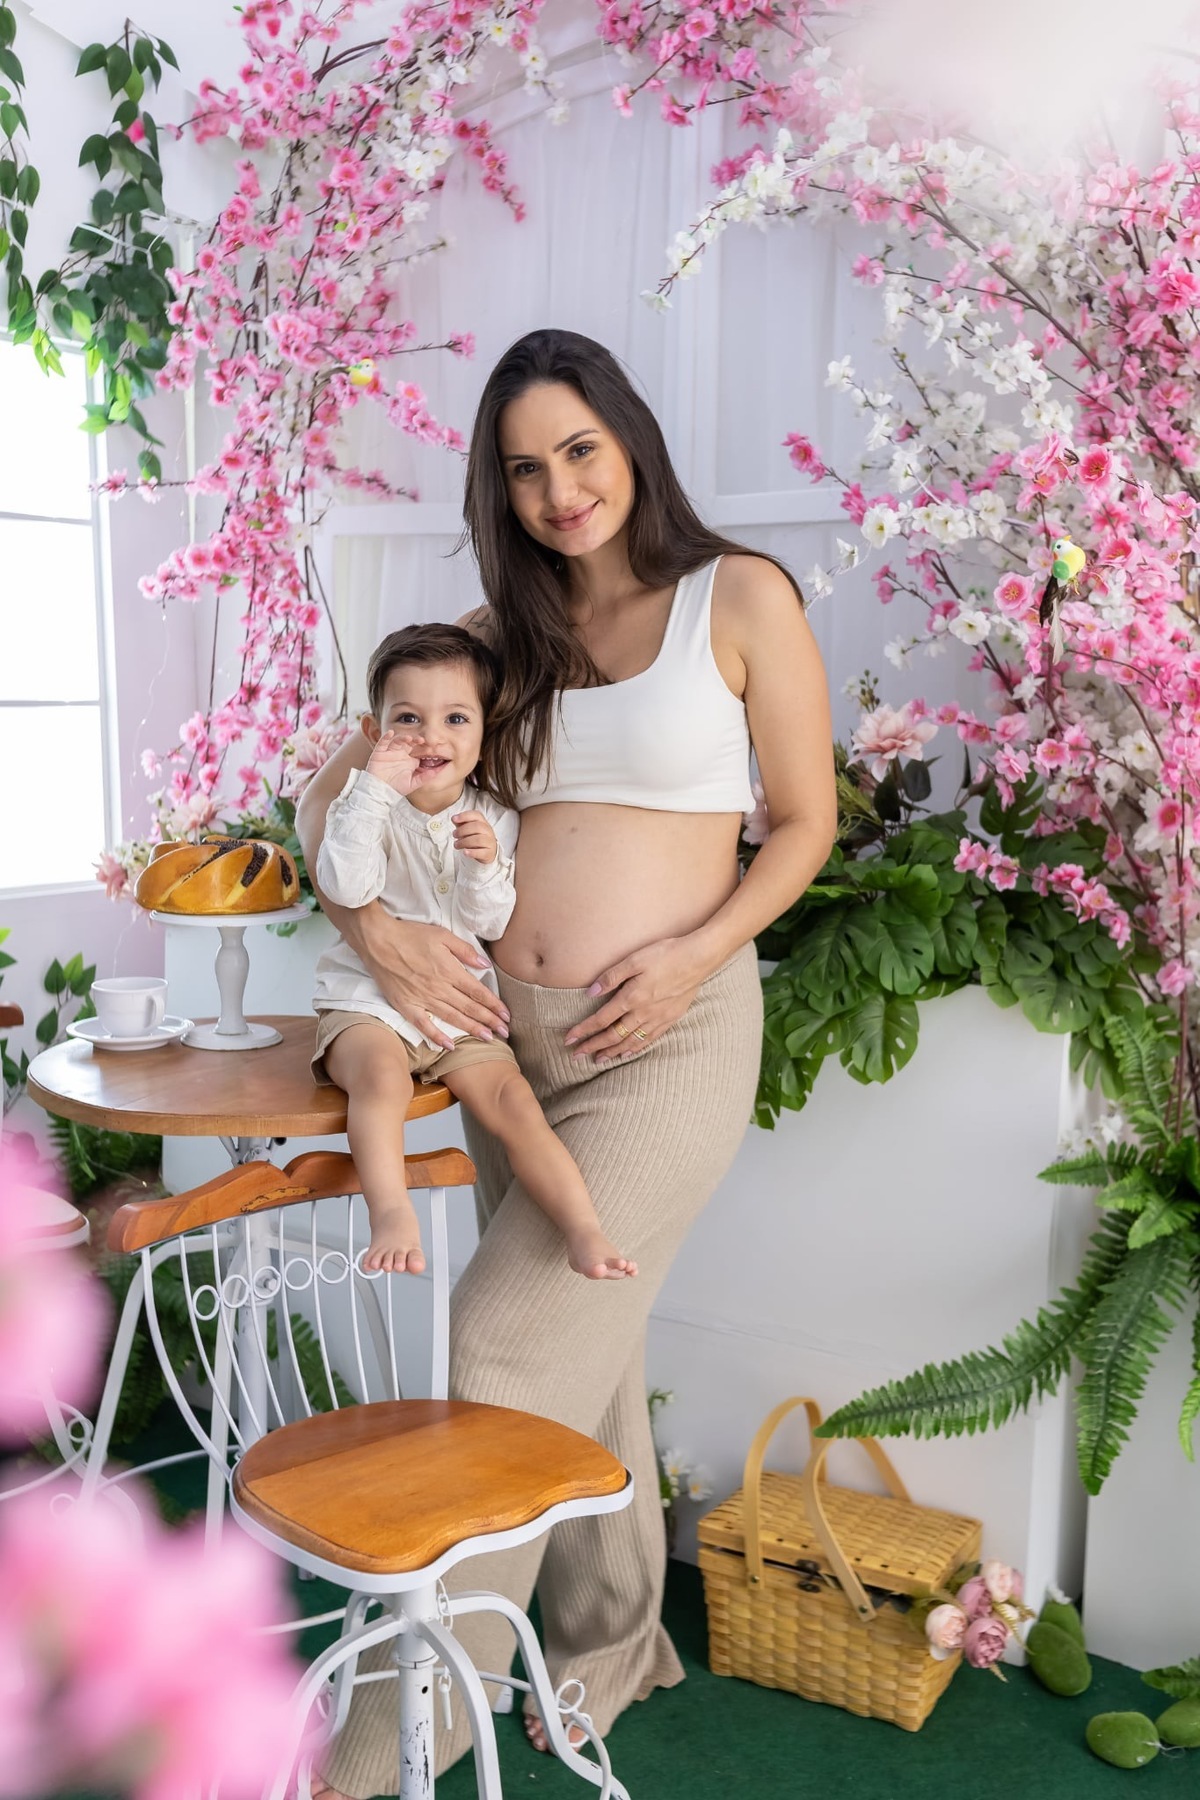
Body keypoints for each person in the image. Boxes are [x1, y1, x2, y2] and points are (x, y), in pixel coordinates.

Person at [298, 327, 836, 1795]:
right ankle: (610, 1641)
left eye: (580, 451)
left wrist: (694, 953)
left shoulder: (739, 596)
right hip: (500, 1043)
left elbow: (802, 823)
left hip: (663, 1036)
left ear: (630, 442)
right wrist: (376, 927)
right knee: (589, 1340)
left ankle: (396, 1738)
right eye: (525, 468)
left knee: (497, 1351)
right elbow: (326, 793)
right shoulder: (491, 637)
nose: (559, 490)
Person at [312, 621, 638, 1281]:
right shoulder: (362, 806)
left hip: (460, 1007)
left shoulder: (492, 817)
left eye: (455, 717)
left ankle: (584, 1230)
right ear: (374, 734)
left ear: (483, 731)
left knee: (515, 1105)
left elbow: (488, 919)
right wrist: (373, 791)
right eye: (408, 718)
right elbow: (344, 883)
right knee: (381, 1082)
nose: (432, 736)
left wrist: (484, 867)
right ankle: (391, 1212)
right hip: (369, 1002)